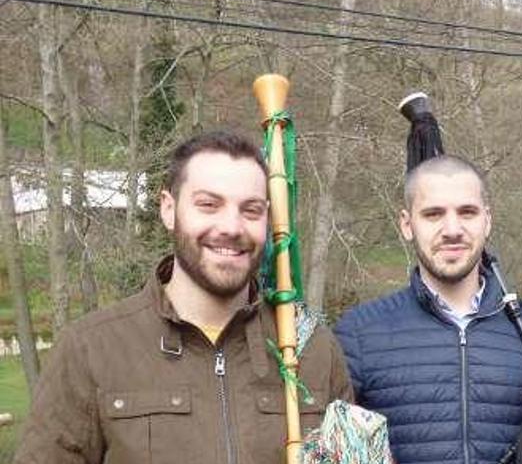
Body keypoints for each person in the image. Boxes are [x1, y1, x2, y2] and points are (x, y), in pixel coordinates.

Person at [14, 132, 353, 464]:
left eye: (250, 210)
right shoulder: (91, 349)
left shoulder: (312, 348)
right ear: (168, 209)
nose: (231, 227)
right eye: (208, 205)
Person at [334, 155, 522, 464]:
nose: (452, 229)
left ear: (487, 220)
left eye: (467, 212)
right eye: (434, 214)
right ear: (407, 225)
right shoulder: (358, 334)